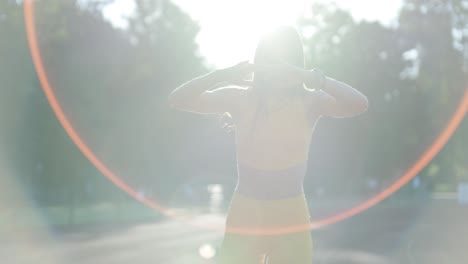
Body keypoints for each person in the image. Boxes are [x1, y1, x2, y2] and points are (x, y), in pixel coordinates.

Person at [168, 26, 368, 264]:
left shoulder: (310, 101)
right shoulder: (240, 97)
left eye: (285, 60)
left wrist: (310, 77)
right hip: (245, 213)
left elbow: (359, 103)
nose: (277, 66)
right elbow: (177, 100)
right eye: (271, 58)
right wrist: (221, 75)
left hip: (291, 216)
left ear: (295, 62)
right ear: (259, 60)